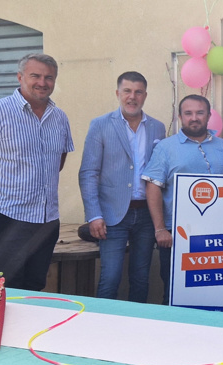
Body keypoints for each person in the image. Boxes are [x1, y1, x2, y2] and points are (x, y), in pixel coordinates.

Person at [0, 53, 74, 291]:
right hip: (7, 215)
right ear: (20, 77)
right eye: (36, 76)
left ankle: (31, 329)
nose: (42, 82)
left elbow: (57, 161)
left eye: (49, 77)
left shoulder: (60, 118)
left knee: (35, 283)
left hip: (46, 218)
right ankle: (4, 328)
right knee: (8, 285)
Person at [78, 72, 166, 302]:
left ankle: (136, 329)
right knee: (110, 277)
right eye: (127, 91)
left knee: (141, 277)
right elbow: (88, 173)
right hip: (112, 215)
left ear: (145, 95)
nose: (132, 97)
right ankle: (103, 330)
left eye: (138, 92)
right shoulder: (100, 125)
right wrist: (94, 215)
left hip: (147, 214)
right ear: (118, 93)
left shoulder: (158, 127)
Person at [142, 95, 223, 304]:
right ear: (180, 116)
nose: (194, 118)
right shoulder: (165, 147)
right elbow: (153, 186)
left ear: (209, 115)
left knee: (214, 292)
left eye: (200, 113)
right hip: (177, 235)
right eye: (188, 113)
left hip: (216, 234)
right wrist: (160, 229)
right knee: (175, 293)